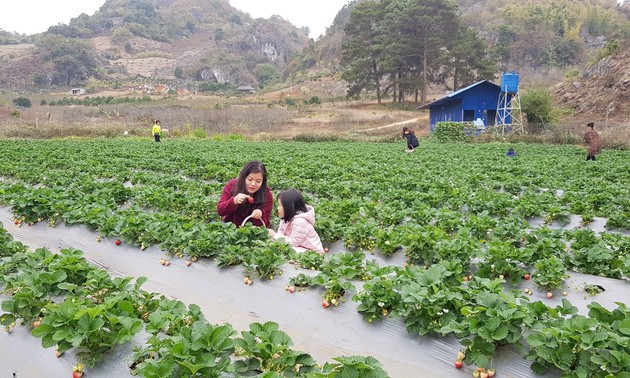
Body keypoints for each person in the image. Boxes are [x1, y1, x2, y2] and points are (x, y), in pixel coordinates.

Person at [217, 160, 273, 227]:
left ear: (263, 181)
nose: (253, 184)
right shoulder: (232, 186)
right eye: (250, 179)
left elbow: (266, 225)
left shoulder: (267, 194)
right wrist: (234, 201)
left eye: (258, 181)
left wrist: (261, 214)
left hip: (252, 232)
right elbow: (220, 211)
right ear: (244, 177)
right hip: (230, 230)